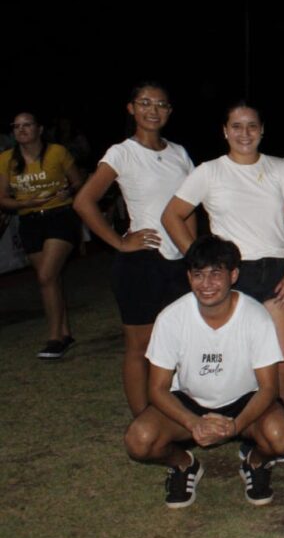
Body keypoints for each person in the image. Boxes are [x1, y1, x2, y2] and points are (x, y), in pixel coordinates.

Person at [123, 236, 284, 508]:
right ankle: (183, 465)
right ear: (189, 277)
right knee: (139, 440)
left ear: (234, 275)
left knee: (282, 438)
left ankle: (256, 462)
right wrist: (194, 423)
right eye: (198, 275)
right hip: (191, 401)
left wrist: (235, 426)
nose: (207, 284)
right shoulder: (171, 317)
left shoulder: (255, 315)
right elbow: (156, 388)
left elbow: (268, 388)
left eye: (216, 274)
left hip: (244, 402)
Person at [162, 103, 284, 400]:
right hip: (232, 274)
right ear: (225, 131)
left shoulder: (281, 169)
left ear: (262, 129)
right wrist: (201, 260)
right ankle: (246, 426)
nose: (245, 133)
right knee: (240, 361)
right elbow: (171, 215)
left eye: (252, 125)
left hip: (277, 270)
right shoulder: (209, 171)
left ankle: (272, 428)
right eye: (237, 126)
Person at [74, 83, 194, 413]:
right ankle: (143, 419)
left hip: (180, 261)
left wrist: (194, 252)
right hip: (142, 261)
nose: (153, 110)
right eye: (145, 103)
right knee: (140, 347)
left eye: (161, 104)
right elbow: (84, 201)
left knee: (180, 344)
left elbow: (190, 207)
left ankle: (177, 412)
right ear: (131, 108)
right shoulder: (121, 153)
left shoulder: (179, 153)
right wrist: (119, 242)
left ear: (169, 111)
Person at [2, 111, 84, 359]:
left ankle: (54, 338)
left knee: (46, 275)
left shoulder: (57, 152)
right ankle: (66, 332)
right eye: (16, 126)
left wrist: (66, 191)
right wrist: (25, 202)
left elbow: (79, 182)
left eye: (27, 125)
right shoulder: (6, 159)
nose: (22, 130)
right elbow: (3, 199)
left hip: (59, 217)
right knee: (51, 278)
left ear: (39, 129)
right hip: (29, 221)